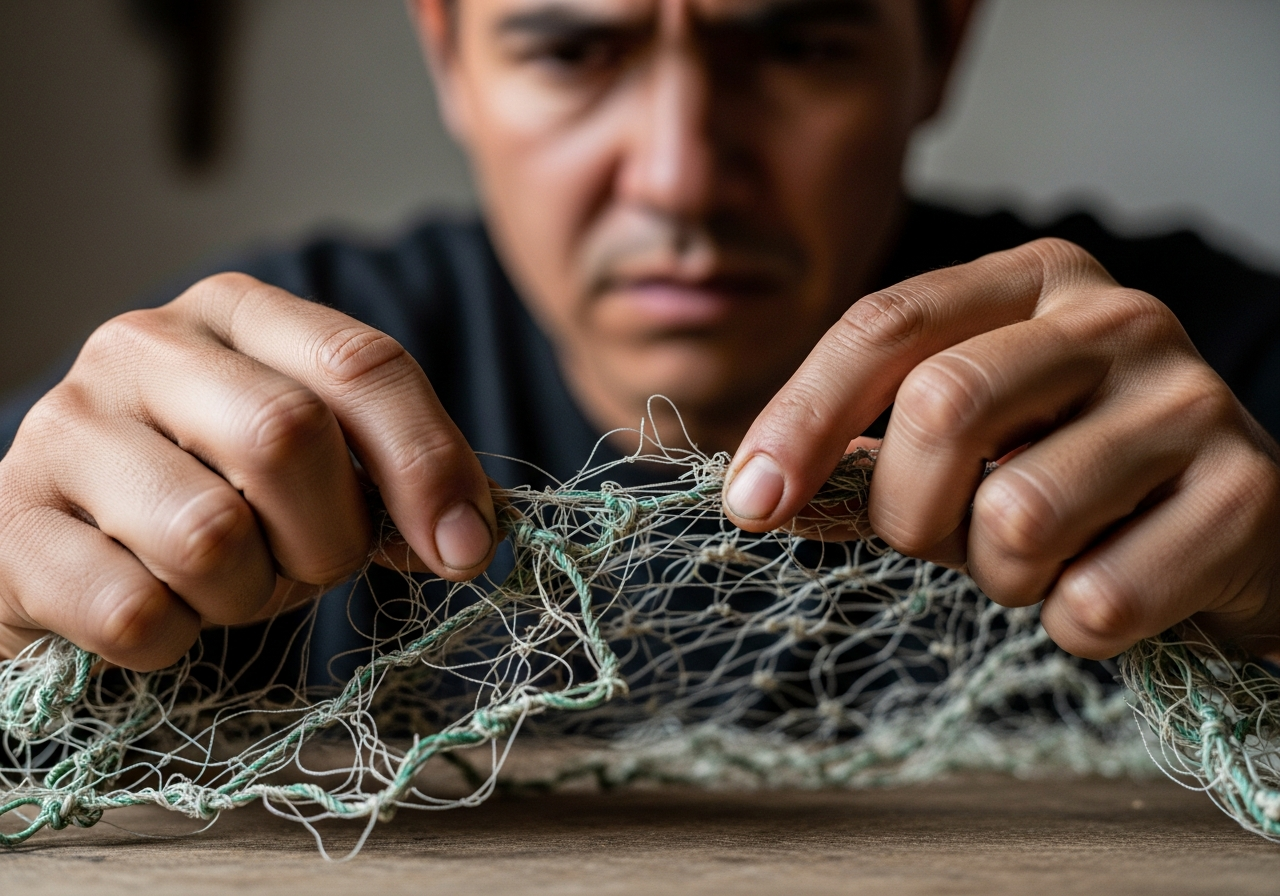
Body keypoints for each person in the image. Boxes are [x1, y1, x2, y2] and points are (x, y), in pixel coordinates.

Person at [0, 0, 1277, 678]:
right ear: (447, 50)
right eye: (570, 49)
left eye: (797, 45)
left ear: (937, 43)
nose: (678, 176)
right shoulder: (236, 404)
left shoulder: (1218, 377)